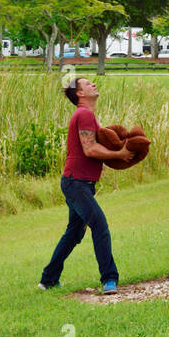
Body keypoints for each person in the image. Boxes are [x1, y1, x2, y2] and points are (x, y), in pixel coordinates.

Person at [38, 75, 137, 294]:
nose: (93, 84)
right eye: (87, 84)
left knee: (74, 233)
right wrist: (118, 153)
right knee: (99, 226)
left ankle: (48, 279)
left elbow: (95, 145)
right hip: (76, 184)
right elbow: (89, 149)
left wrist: (116, 144)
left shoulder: (88, 115)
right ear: (80, 94)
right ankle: (109, 279)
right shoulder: (83, 114)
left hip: (79, 183)